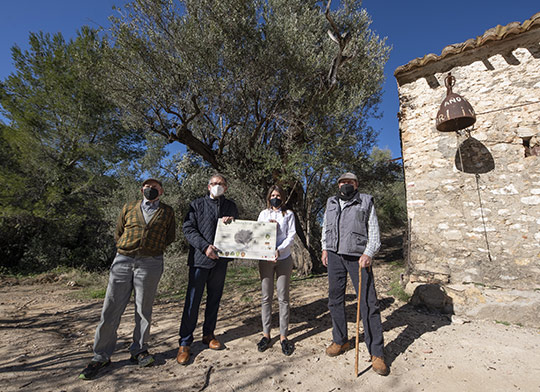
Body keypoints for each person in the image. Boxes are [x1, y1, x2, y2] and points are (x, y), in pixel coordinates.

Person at [79, 178, 176, 380]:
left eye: (155, 188)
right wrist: (127, 248)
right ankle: (101, 355)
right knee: (111, 307)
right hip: (123, 260)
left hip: (150, 262)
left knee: (143, 308)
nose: (151, 190)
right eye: (148, 187)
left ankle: (139, 350)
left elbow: (170, 236)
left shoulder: (167, 211)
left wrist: (152, 249)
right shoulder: (129, 207)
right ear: (142, 189)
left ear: (162, 191)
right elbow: (119, 232)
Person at [321, 172, 389, 376]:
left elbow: (374, 230)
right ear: (338, 185)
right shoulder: (331, 202)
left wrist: (369, 252)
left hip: (358, 257)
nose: (345, 185)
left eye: (349, 182)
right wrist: (325, 248)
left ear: (356, 184)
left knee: (368, 303)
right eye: (342, 182)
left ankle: (376, 352)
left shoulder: (366, 201)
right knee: (334, 300)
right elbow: (325, 227)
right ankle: (340, 340)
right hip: (334, 255)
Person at [176, 174, 239, 365]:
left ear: (226, 188)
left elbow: (237, 230)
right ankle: (185, 342)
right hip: (199, 260)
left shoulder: (231, 205)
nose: (217, 186)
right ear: (208, 186)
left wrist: (232, 221)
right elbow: (188, 229)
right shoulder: (196, 205)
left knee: (214, 300)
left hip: (220, 262)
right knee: (192, 302)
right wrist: (205, 247)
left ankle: (208, 334)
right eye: (214, 184)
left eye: (221, 184)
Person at [256, 185, 296, 356]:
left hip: (283, 258)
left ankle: (283, 336)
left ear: (283, 198)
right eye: (272, 195)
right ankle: (266, 334)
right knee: (266, 297)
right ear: (268, 197)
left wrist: (279, 249)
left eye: (278, 195)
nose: (275, 198)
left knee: (283, 297)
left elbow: (291, 235)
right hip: (265, 260)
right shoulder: (263, 214)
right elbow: (257, 232)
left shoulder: (289, 214)